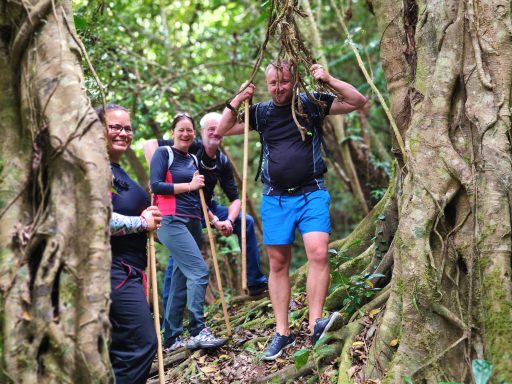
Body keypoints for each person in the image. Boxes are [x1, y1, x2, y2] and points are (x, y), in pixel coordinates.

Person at [216, 61, 368, 361]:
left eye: (284, 82)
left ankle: (315, 325)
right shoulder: (259, 112)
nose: (279, 88)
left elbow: (358, 101)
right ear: (266, 83)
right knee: (277, 263)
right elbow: (221, 129)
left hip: (312, 192)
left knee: (319, 252)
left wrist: (328, 78)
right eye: (273, 83)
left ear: (294, 80)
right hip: (276, 199)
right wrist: (237, 99)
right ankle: (282, 332)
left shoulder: (310, 103)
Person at [143, 112, 269, 311]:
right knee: (179, 255)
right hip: (184, 208)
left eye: (219, 129)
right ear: (201, 132)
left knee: (246, 222)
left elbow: (235, 199)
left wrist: (228, 220)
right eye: (211, 129)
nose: (215, 132)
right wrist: (156, 176)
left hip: (208, 207)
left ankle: (255, 283)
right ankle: (170, 312)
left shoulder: (223, 161)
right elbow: (150, 144)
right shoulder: (191, 145)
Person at [149, 113, 226, 352]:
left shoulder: (193, 157)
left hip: (193, 222)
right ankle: (197, 331)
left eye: (189, 130)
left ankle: (171, 339)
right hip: (171, 220)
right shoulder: (164, 154)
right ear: (173, 132)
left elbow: (199, 195)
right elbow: (156, 185)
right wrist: (189, 185)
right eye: (181, 129)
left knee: (180, 282)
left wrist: (213, 219)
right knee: (199, 272)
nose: (185, 134)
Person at [98, 104, 161, 383]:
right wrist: (140, 223)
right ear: (98, 129)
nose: (123, 133)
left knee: (120, 349)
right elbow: (96, 219)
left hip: (131, 272)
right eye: (115, 126)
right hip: (114, 270)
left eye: (127, 128)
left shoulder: (117, 170)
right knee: (141, 345)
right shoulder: (96, 169)